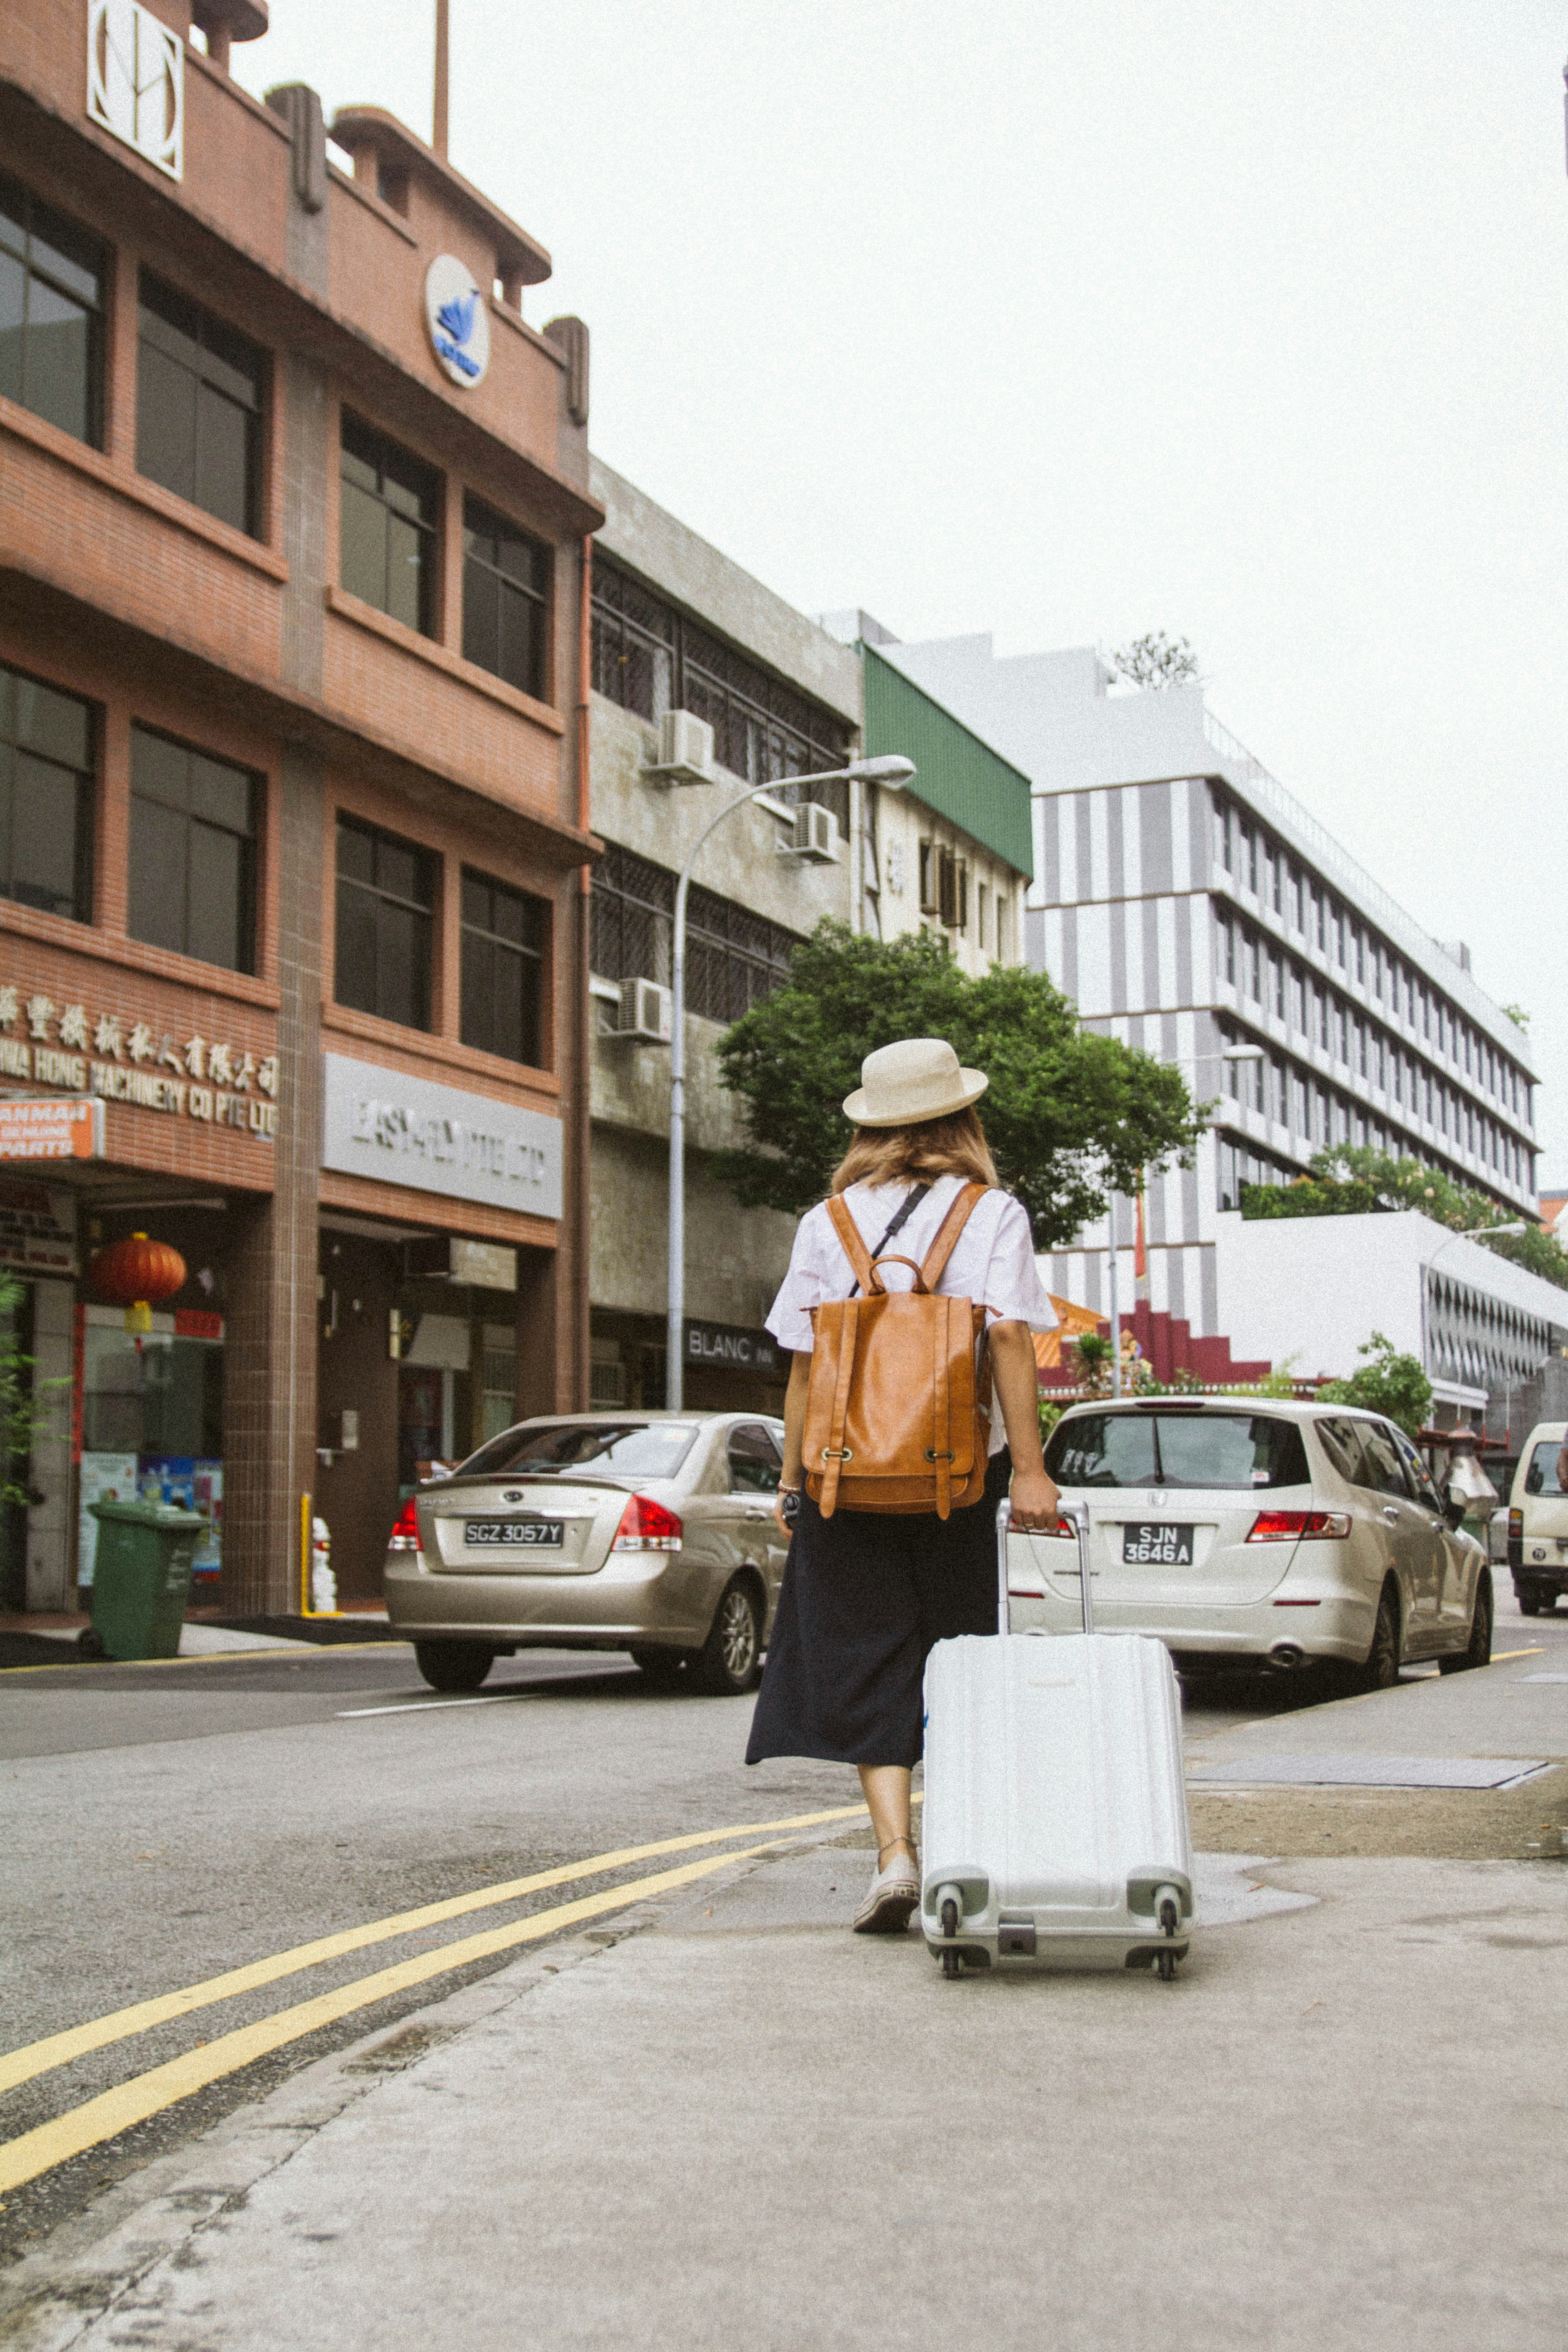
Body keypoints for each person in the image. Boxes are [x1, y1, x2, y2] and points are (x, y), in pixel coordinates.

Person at [745, 1036, 1061, 1935]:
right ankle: (958, 1844)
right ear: (961, 1119)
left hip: (845, 1477)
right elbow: (1009, 1338)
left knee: (863, 1653)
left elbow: (805, 1362)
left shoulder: (828, 1221)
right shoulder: (992, 1213)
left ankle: (894, 1855)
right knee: (954, 1655)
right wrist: (1030, 1470)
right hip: (954, 1476)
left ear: (871, 1127)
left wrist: (793, 1479)